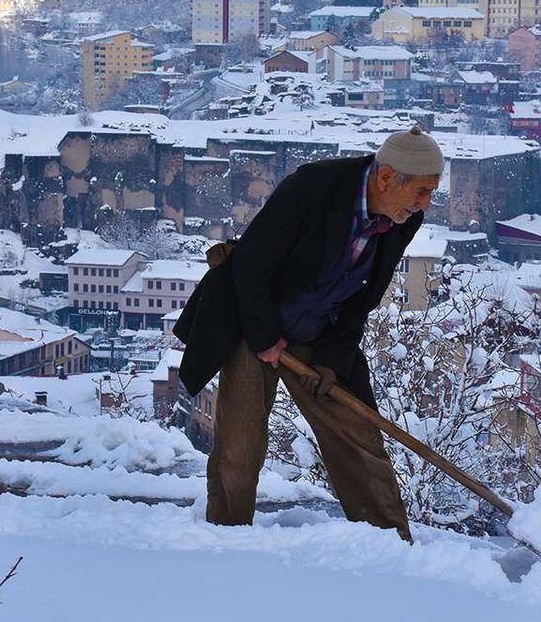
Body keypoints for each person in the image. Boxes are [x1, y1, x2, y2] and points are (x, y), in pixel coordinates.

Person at [173, 126, 444, 541]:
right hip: (255, 320)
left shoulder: (402, 217)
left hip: (322, 334)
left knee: (356, 432)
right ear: (387, 178)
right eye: (422, 191)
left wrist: (333, 363)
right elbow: (252, 266)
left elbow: (363, 296)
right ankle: (226, 537)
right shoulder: (313, 188)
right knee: (240, 444)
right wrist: (265, 338)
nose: (426, 204)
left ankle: (388, 543)